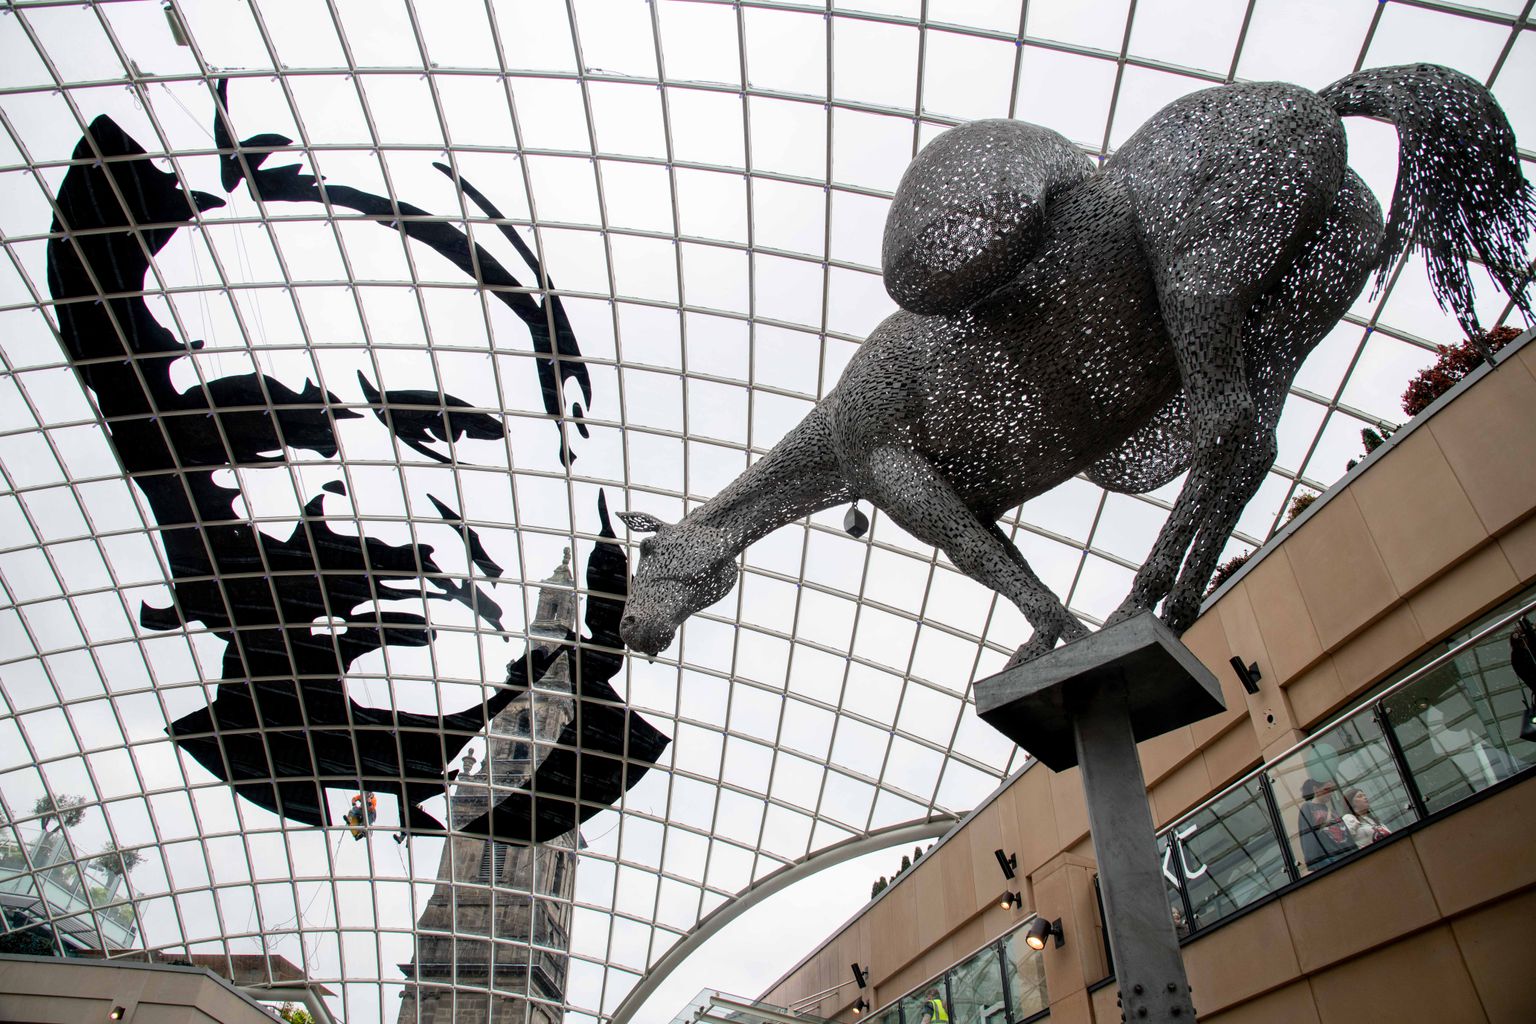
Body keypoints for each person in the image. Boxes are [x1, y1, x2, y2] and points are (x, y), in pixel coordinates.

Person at [1296, 778, 1357, 870]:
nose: (1331, 793)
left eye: (1332, 790)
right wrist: (1312, 864)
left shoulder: (1332, 811)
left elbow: (1347, 834)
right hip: (1330, 859)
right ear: (1316, 789)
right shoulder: (1307, 807)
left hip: (1347, 856)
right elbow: (1308, 836)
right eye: (1327, 789)